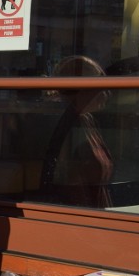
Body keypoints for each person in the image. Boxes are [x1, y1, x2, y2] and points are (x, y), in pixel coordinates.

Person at [40, 55, 113, 207]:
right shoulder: (67, 125)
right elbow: (69, 185)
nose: (107, 93)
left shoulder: (87, 120)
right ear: (81, 90)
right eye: (100, 86)